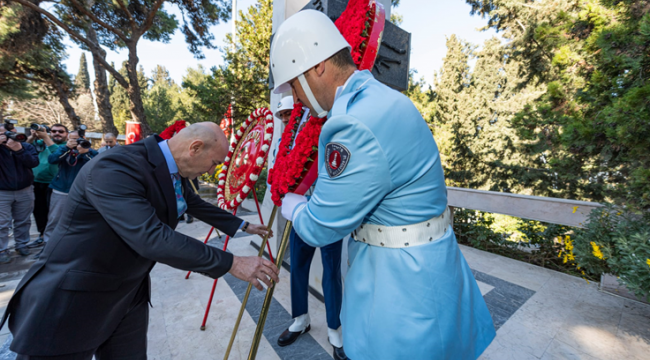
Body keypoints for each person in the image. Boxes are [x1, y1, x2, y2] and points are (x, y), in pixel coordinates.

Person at [272, 10, 496, 360]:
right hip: (429, 270)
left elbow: (321, 226)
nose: (296, 99)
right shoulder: (383, 99)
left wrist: (295, 206)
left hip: (402, 289)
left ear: (317, 66)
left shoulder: (352, 124)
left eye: (295, 84)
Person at [1, 123, 279, 359]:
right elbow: (151, 237)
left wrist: (242, 224)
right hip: (75, 297)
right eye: (214, 163)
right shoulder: (116, 167)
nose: (210, 171)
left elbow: (190, 202)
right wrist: (232, 262)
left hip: (127, 291)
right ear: (195, 148)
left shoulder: (169, 166)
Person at [272, 97, 347, 360]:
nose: (283, 119)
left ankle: (334, 328)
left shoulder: (325, 127)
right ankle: (300, 319)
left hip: (326, 212)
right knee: (298, 267)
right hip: (298, 213)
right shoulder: (285, 142)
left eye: (287, 114)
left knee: (331, 271)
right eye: (281, 115)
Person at [36, 130, 98, 259]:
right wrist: (66, 148)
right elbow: (52, 160)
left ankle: (76, 248)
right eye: (72, 139)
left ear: (83, 138)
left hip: (82, 192)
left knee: (80, 220)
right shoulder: (63, 149)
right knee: (54, 219)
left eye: (78, 139)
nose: (76, 142)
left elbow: (96, 165)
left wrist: (84, 153)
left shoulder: (91, 153)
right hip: (61, 189)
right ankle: (48, 247)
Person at [25, 124, 68, 249]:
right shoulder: (41, 142)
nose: (57, 133)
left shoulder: (67, 146)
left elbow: (57, 153)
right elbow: (25, 147)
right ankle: (42, 236)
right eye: (53, 131)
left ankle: (54, 239)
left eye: (61, 131)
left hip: (55, 183)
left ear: (66, 134)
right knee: (39, 211)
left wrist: (46, 138)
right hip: (37, 182)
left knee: (54, 214)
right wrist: (32, 137)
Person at [0, 123, 39, 263]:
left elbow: (34, 162)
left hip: (25, 190)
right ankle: (2, 249)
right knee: (2, 223)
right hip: (2, 191)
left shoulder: (26, 146)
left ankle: (21, 244)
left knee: (23, 220)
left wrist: (19, 150)